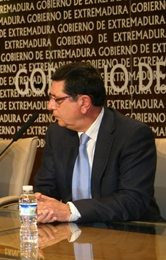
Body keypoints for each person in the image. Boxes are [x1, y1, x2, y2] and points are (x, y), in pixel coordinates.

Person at [34, 61, 164, 223]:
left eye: (57, 100)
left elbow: (132, 200)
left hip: (129, 233)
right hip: (73, 234)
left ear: (84, 103)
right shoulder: (57, 134)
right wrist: (40, 204)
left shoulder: (132, 135)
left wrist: (70, 211)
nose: (50, 106)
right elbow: (46, 187)